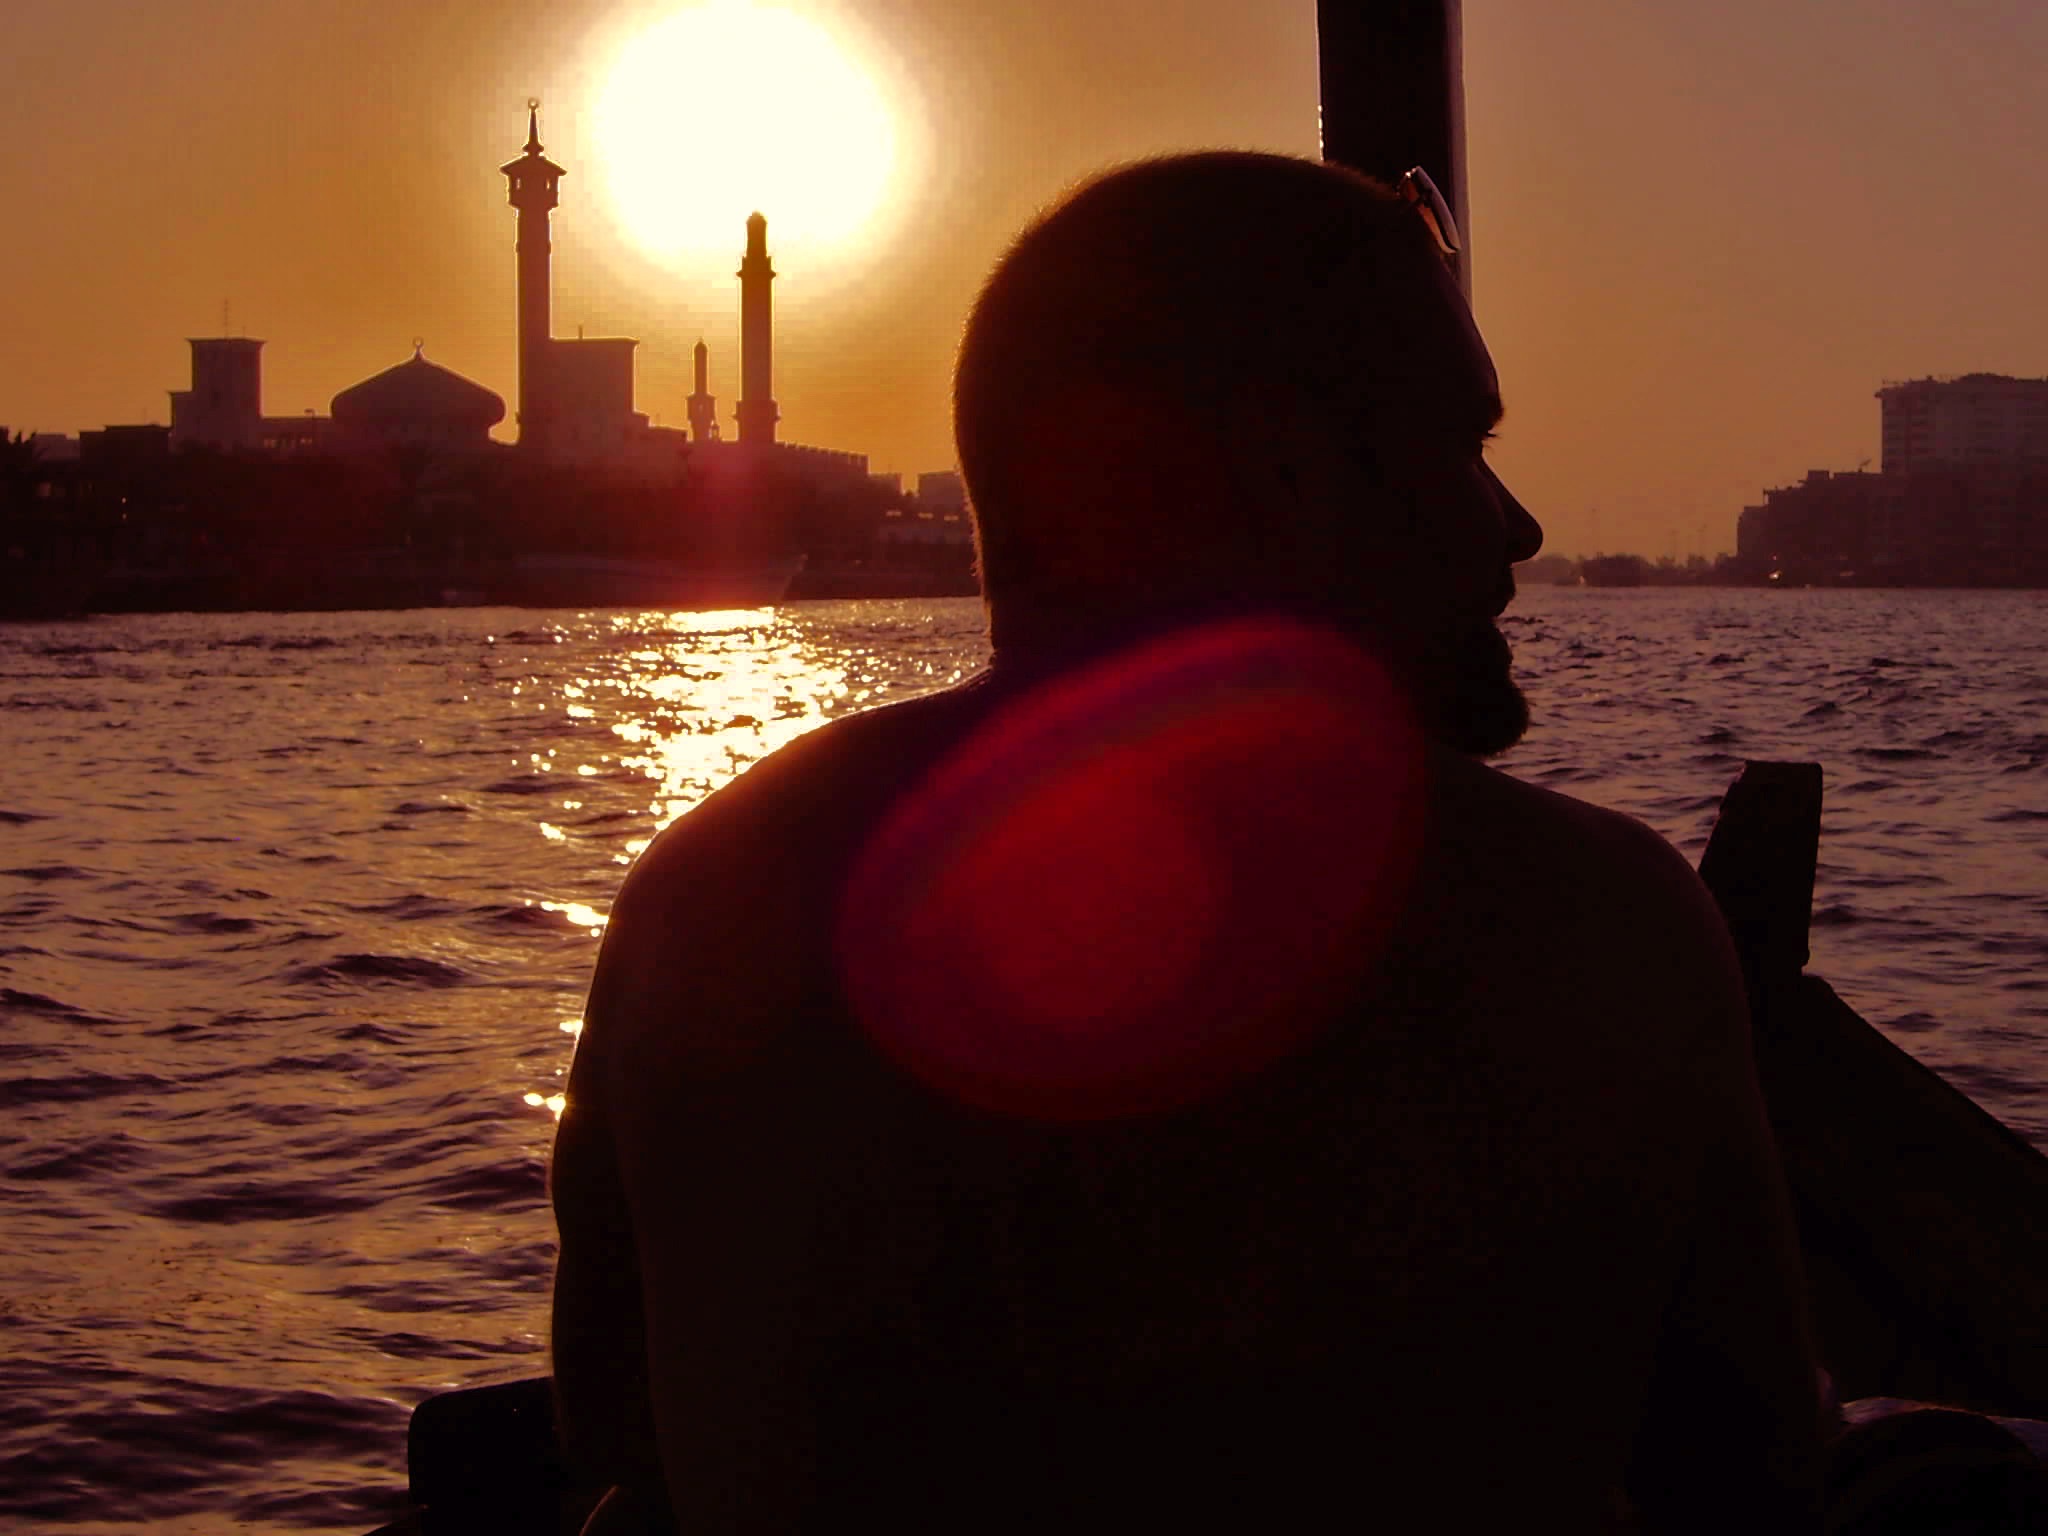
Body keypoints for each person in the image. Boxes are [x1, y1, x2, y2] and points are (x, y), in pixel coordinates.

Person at [549, 151, 1824, 1533]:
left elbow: (613, 1428)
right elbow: (1748, 1482)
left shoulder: (707, 898)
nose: (1517, 528)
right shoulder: (1598, 929)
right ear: (1283, 478)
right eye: (1462, 447)